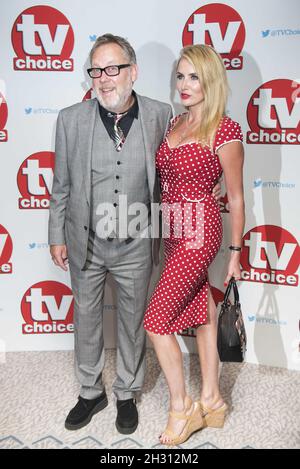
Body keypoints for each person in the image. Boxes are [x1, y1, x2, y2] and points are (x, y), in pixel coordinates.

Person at [49, 34, 220, 435]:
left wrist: (214, 182)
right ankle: (91, 392)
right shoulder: (70, 118)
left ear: (133, 72)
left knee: (131, 321)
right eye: (96, 70)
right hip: (85, 239)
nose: (104, 79)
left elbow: (193, 150)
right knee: (87, 318)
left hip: (138, 241)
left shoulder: (163, 115)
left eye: (113, 69)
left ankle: (126, 392)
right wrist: (57, 234)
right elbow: (61, 186)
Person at [144, 44, 245, 446]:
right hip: (172, 228)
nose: (184, 85)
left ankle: (181, 406)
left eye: (193, 77)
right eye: (180, 76)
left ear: (211, 81)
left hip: (200, 231)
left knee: (156, 322)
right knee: (202, 313)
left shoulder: (225, 129)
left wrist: (235, 254)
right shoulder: (175, 123)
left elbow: (236, 198)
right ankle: (213, 400)